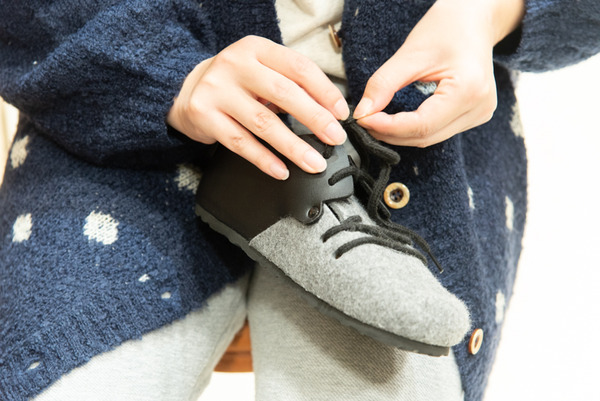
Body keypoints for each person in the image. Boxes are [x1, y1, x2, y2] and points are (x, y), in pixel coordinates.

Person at [0, 0, 598, 400]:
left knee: (393, 364)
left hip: (413, 153)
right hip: (121, 109)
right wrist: (165, 74)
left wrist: (486, 11)